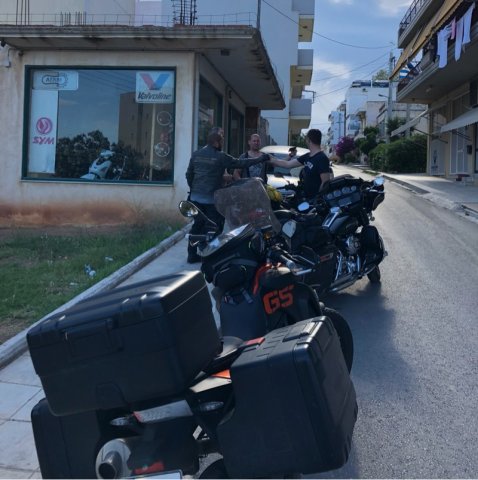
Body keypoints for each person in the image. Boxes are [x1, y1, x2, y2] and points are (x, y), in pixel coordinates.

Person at [185, 127, 270, 263]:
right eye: (221, 141)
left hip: (195, 198)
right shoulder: (220, 156)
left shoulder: (196, 154)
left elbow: (189, 174)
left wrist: (194, 189)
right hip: (211, 199)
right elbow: (241, 163)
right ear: (216, 143)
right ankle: (210, 255)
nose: (222, 143)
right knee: (215, 227)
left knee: (197, 225)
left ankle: (191, 254)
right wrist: (261, 159)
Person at [268, 129, 332, 198]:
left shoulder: (322, 158)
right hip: (304, 198)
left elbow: (325, 182)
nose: (306, 141)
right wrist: (271, 159)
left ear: (309, 140)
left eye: (306, 139)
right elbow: (288, 164)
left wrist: (317, 199)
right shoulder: (307, 156)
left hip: (313, 201)